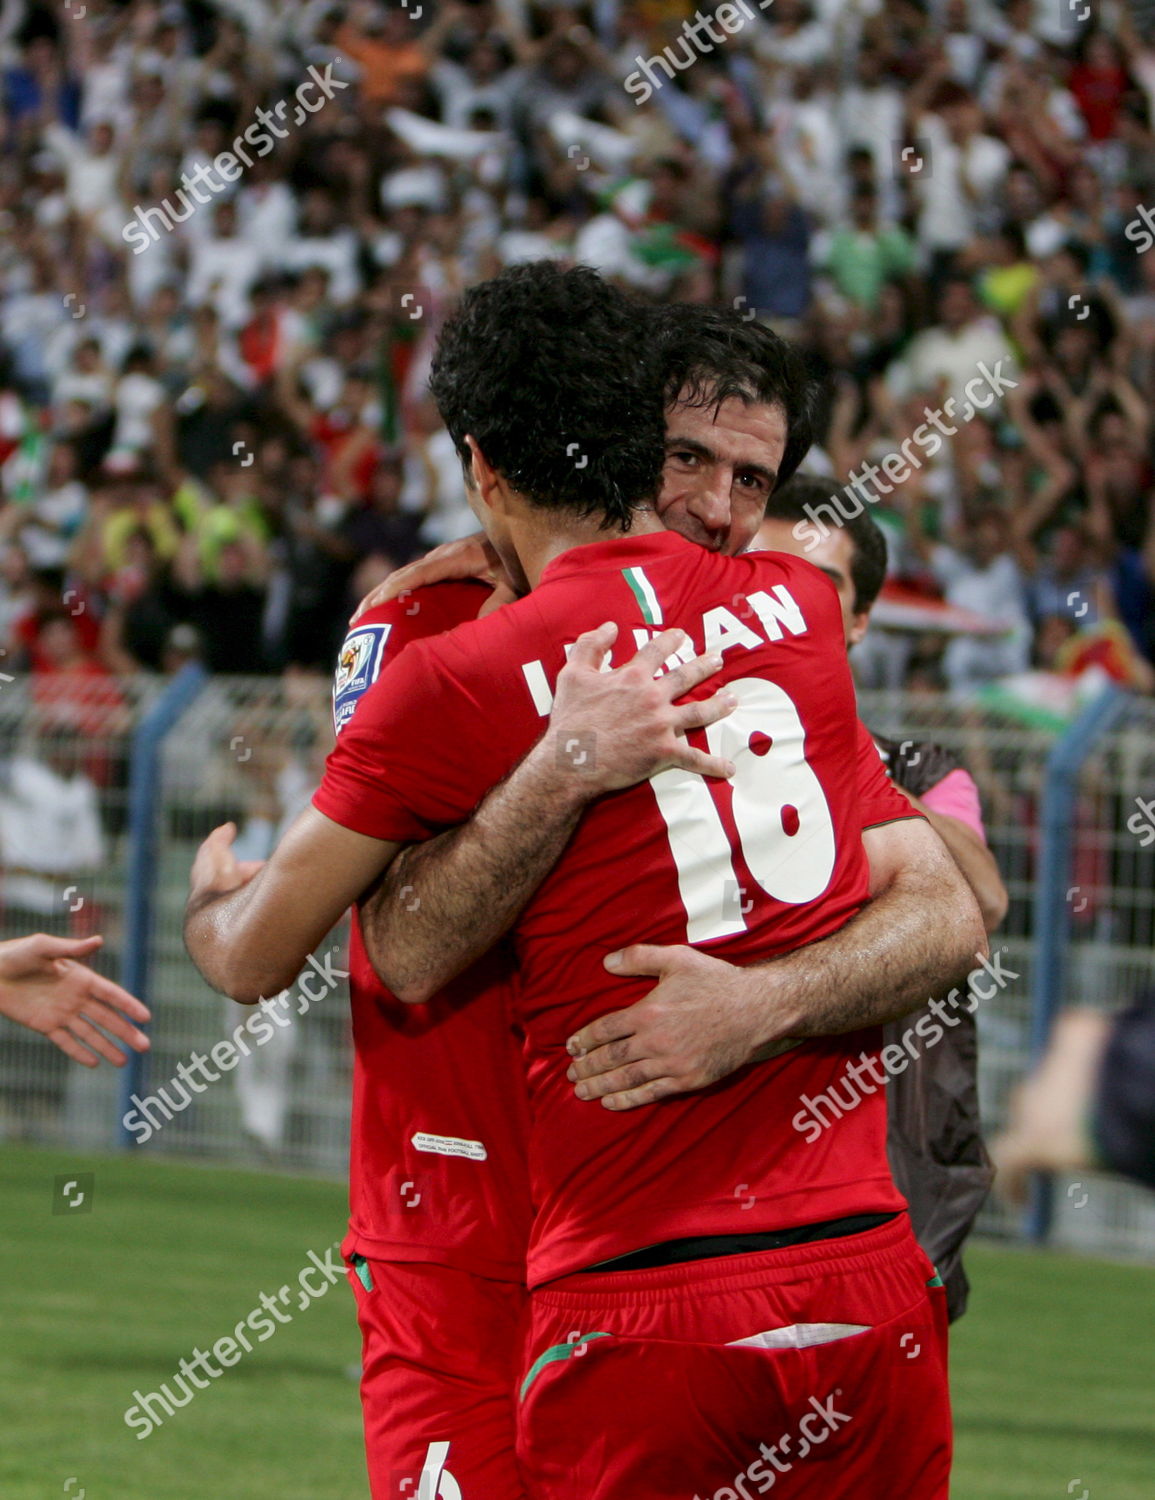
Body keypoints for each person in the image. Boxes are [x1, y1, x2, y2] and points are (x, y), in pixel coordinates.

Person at [185, 266, 984, 1497]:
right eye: (693, 462)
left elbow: (955, 896)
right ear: (621, 438)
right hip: (468, 1221)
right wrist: (559, 766)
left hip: (661, 1258)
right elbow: (391, 942)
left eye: (755, 481)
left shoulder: (767, 620)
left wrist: (758, 1003)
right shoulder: (432, 630)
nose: (721, 508)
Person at [754, 474, 1006, 1320]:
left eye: (818, 588)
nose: (785, 605)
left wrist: (833, 747)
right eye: (761, 578)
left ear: (859, 620)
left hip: (894, 1184)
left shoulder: (917, 769)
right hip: (724, 1176)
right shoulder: (670, 755)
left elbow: (984, 903)